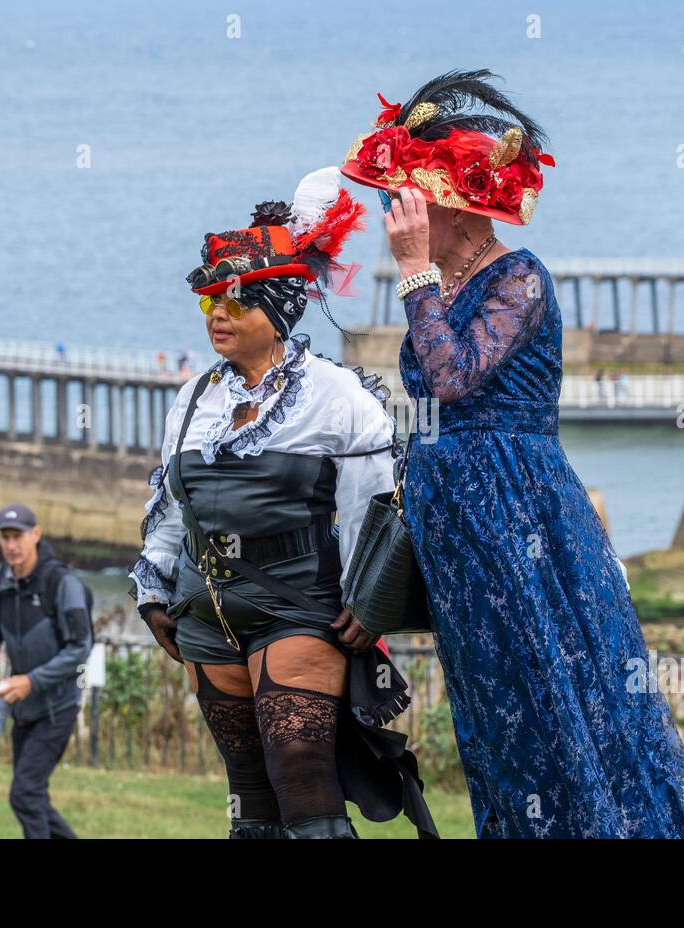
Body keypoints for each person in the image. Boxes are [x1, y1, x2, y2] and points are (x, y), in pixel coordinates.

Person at [341, 69, 684, 838]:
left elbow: (450, 377)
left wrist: (412, 269)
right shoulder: (441, 286)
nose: (393, 213)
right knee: (493, 714)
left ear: (453, 205)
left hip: (519, 516)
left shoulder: (519, 278)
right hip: (456, 522)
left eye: (406, 200)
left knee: (549, 692)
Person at [130, 167, 436, 839]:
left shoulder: (336, 396)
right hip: (206, 616)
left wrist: (367, 600)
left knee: (302, 779)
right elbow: (174, 505)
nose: (217, 314)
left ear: (279, 312)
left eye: (235, 302)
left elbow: (371, 507)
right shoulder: (192, 399)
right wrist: (152, 587)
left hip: (298, 606)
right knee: (250, 802)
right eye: (211, 301)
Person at [0, 504, 92, 839]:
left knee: (24, 794)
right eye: (5, 537)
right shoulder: (3, 581)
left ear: (35, 535)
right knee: (32, 796)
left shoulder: (61, 582)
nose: (11, 545)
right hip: (23, 709)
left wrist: (32, 681)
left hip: (58, 707)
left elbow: (80, 647)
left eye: (18, 536)